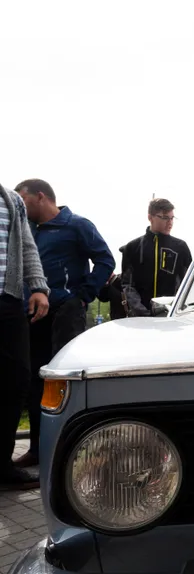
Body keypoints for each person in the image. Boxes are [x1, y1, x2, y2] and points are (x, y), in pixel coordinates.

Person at [14, 179, 115, 468]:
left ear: (41, 197)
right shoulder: (28, 231)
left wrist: (82, 296)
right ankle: (37, 449)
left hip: (65, 312)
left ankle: (71, 449)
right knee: (34, 380)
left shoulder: (77, 225)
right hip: (32, 314)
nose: (20, 206)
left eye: (23, 200)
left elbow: (105, 260)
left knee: (64, 380)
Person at [0, 183, 49, 490]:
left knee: (16, 380)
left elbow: (28, 248)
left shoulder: (12, 200)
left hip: (8, 299)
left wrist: (39, 287)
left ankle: (2, 465)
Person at [121, 198, 192, 316]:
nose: (170, 222)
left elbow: (189, 282)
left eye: (172, 218)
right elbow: (127, 285)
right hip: (139, 319)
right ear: (150, 217)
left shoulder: (180, 247)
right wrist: (141, 312)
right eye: (165, 218)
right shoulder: (132, 248)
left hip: (171, 317)